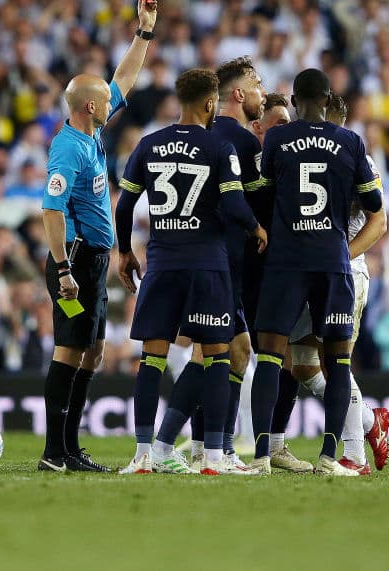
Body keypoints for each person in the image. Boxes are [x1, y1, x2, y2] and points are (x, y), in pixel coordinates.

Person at [115, 68, 267, 475]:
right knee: (217, 356)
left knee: (153, 359)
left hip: (162, 263)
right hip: (207, 265)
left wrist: (125, 252)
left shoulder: (148, 144)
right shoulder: (219, 146)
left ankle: (144, 454)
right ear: (209, 103)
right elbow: (235, 207)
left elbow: (125, 206)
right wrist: (257, 228)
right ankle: (214, 459)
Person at [38, 0, 158, 472]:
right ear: (90, 107)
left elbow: (123, 80)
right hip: (74, 260)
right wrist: (64, 269)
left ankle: (69, 448)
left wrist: (143, 34)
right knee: (70, 349)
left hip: (94, 259)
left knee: (92, 352)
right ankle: (54, 452)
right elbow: (51, 209)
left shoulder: (90, 133)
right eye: (105, 101)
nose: (114, 102)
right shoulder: (68, 149)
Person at [250, 68, 384, 476]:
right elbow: (373, 203)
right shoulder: (350, 141)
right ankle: (331, 456)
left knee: (273, 357)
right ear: (327, 100)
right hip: (332, 260)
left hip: (286, 260)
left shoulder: (277, 138)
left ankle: (259, 458)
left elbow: (264, 191)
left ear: (293, 100)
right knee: (338, 361)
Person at [283, 92, 389, 475]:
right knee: (301, 365)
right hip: (307, 271)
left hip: (345, 272)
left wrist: (343, 256)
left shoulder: (358, 158)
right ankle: (368, 422)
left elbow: (379, 221)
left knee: (334, 362)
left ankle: (354, 456)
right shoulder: (301, 154)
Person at [210, 56, 268, 462]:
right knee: (212, 354)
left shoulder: (203, 133)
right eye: (258, 85)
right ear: (239, 93)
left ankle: (217, 446)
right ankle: (203, 447)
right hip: (225, 263)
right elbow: (257, 202)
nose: (262, 93)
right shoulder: (245, 143)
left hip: (205, 257)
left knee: (238, 350)